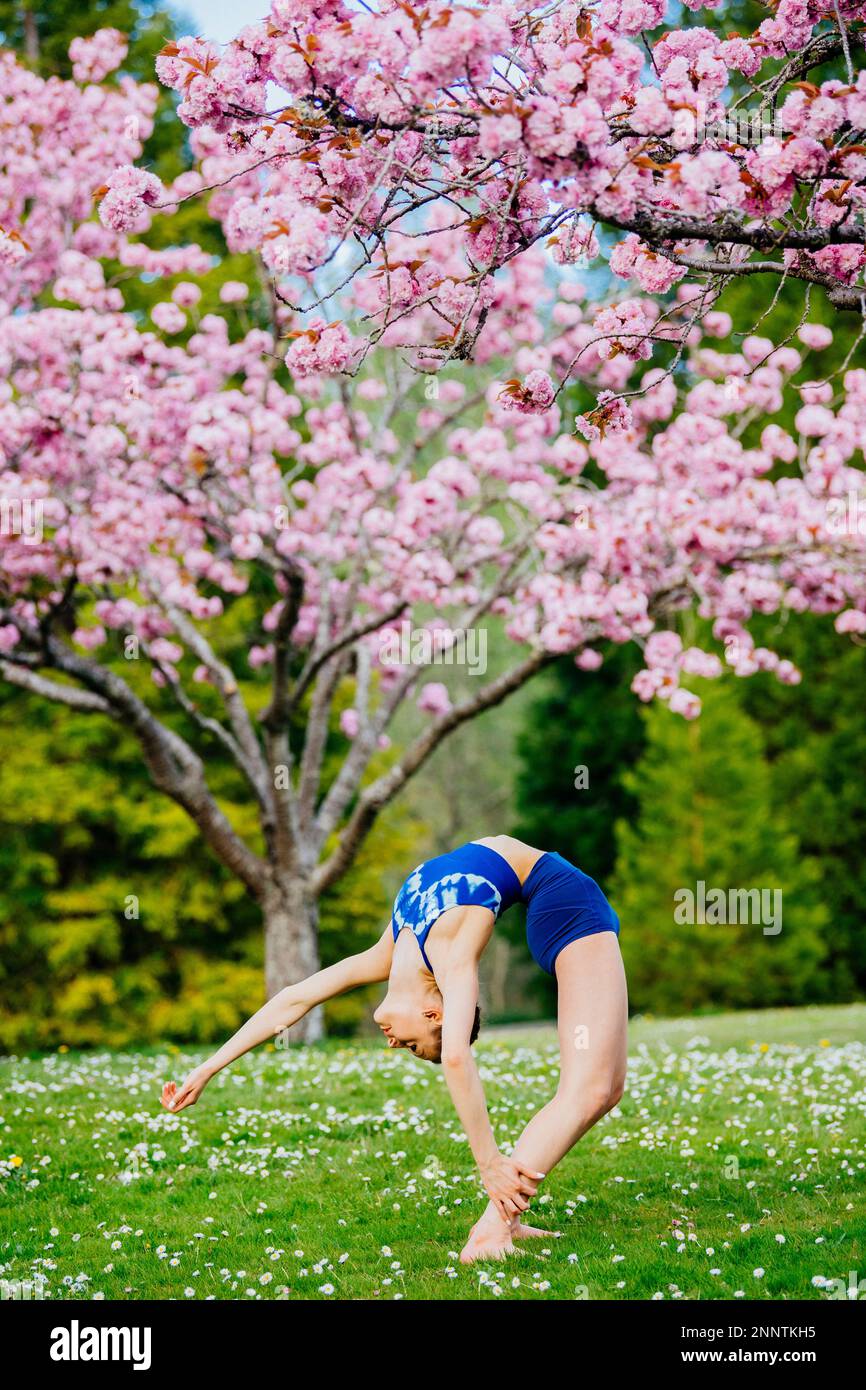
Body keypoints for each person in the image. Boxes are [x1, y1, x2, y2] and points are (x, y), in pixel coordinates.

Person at [160, 834, 628, 1263]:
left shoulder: (413, 950)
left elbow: (455, 1055)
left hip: (565, 899)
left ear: (436, 1016)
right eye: (411, 1046)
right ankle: (494, 1229)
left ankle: (502, 1221)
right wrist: (208, 1069)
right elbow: (294, 999)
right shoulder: (428, 953)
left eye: (409, 1047)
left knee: (604, 1091)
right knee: (591, 1090)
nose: (394, 1043)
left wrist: (490, 1163)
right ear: (434, 1014)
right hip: (566, 904)